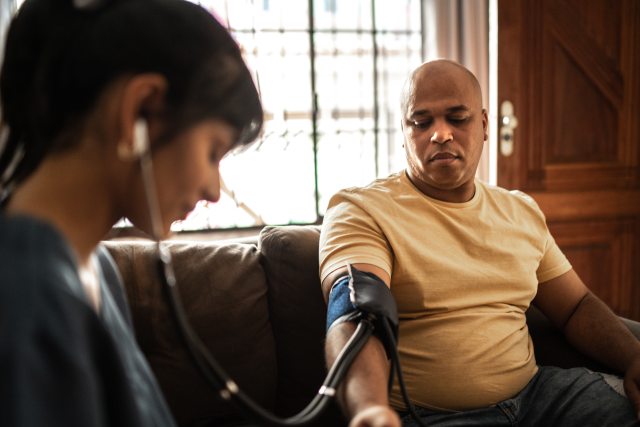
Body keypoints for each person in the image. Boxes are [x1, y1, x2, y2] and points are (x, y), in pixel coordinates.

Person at [319, 59, 640, 427]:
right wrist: (370, 408)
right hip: (434, 417)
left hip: (542, 397)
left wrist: (633, 357)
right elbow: (357, 312)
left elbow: (576, 306)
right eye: (421, 122)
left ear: (484, 125)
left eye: (457, 118)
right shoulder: (361, 209)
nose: (440, 134)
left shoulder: (520, 210)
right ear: (404, 132)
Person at [0, 0, 262, 425]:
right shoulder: (24, 296)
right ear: (141, 109)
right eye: (213, 152)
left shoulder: (95, 266)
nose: (214, 190)